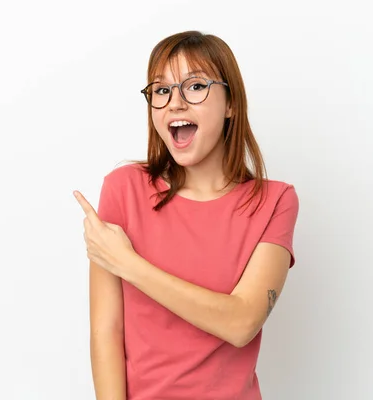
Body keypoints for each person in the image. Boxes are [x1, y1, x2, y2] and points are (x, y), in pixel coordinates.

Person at [74, 30, 299, 400]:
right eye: (161, 91)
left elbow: (241, 322)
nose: (174, 103)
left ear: (231, 103)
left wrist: (127, 264)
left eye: (194, 86)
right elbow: (106, 331)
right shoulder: (123, 189)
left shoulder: (274, 201)